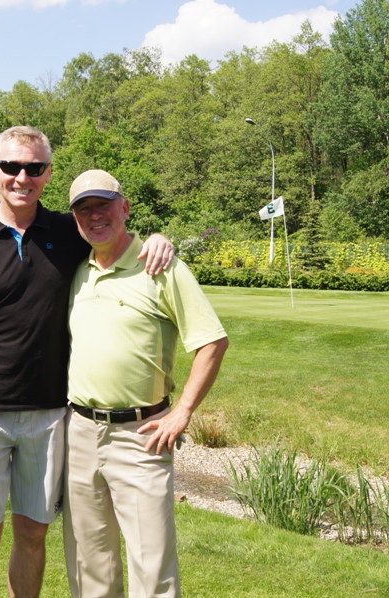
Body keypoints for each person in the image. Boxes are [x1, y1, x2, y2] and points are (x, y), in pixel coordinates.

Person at [0, 126, 174, 598]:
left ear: (48, 173)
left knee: (33, 535)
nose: (22, 177)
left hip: (50, 415)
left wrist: (158, 238)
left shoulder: (67, 233)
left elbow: (114, 235)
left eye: (34, 168)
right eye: (11, 166)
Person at [63, 169, 229, 597]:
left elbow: (212, 342)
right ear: (74, 219)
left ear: (125, 208)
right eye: (83, 209)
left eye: (103, 205)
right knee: (89, 566)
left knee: (152, 569)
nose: (94, 216)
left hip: (141, 436)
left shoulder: (161, 265)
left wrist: (182, 413)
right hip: (78, 434)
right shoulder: (75, 269)